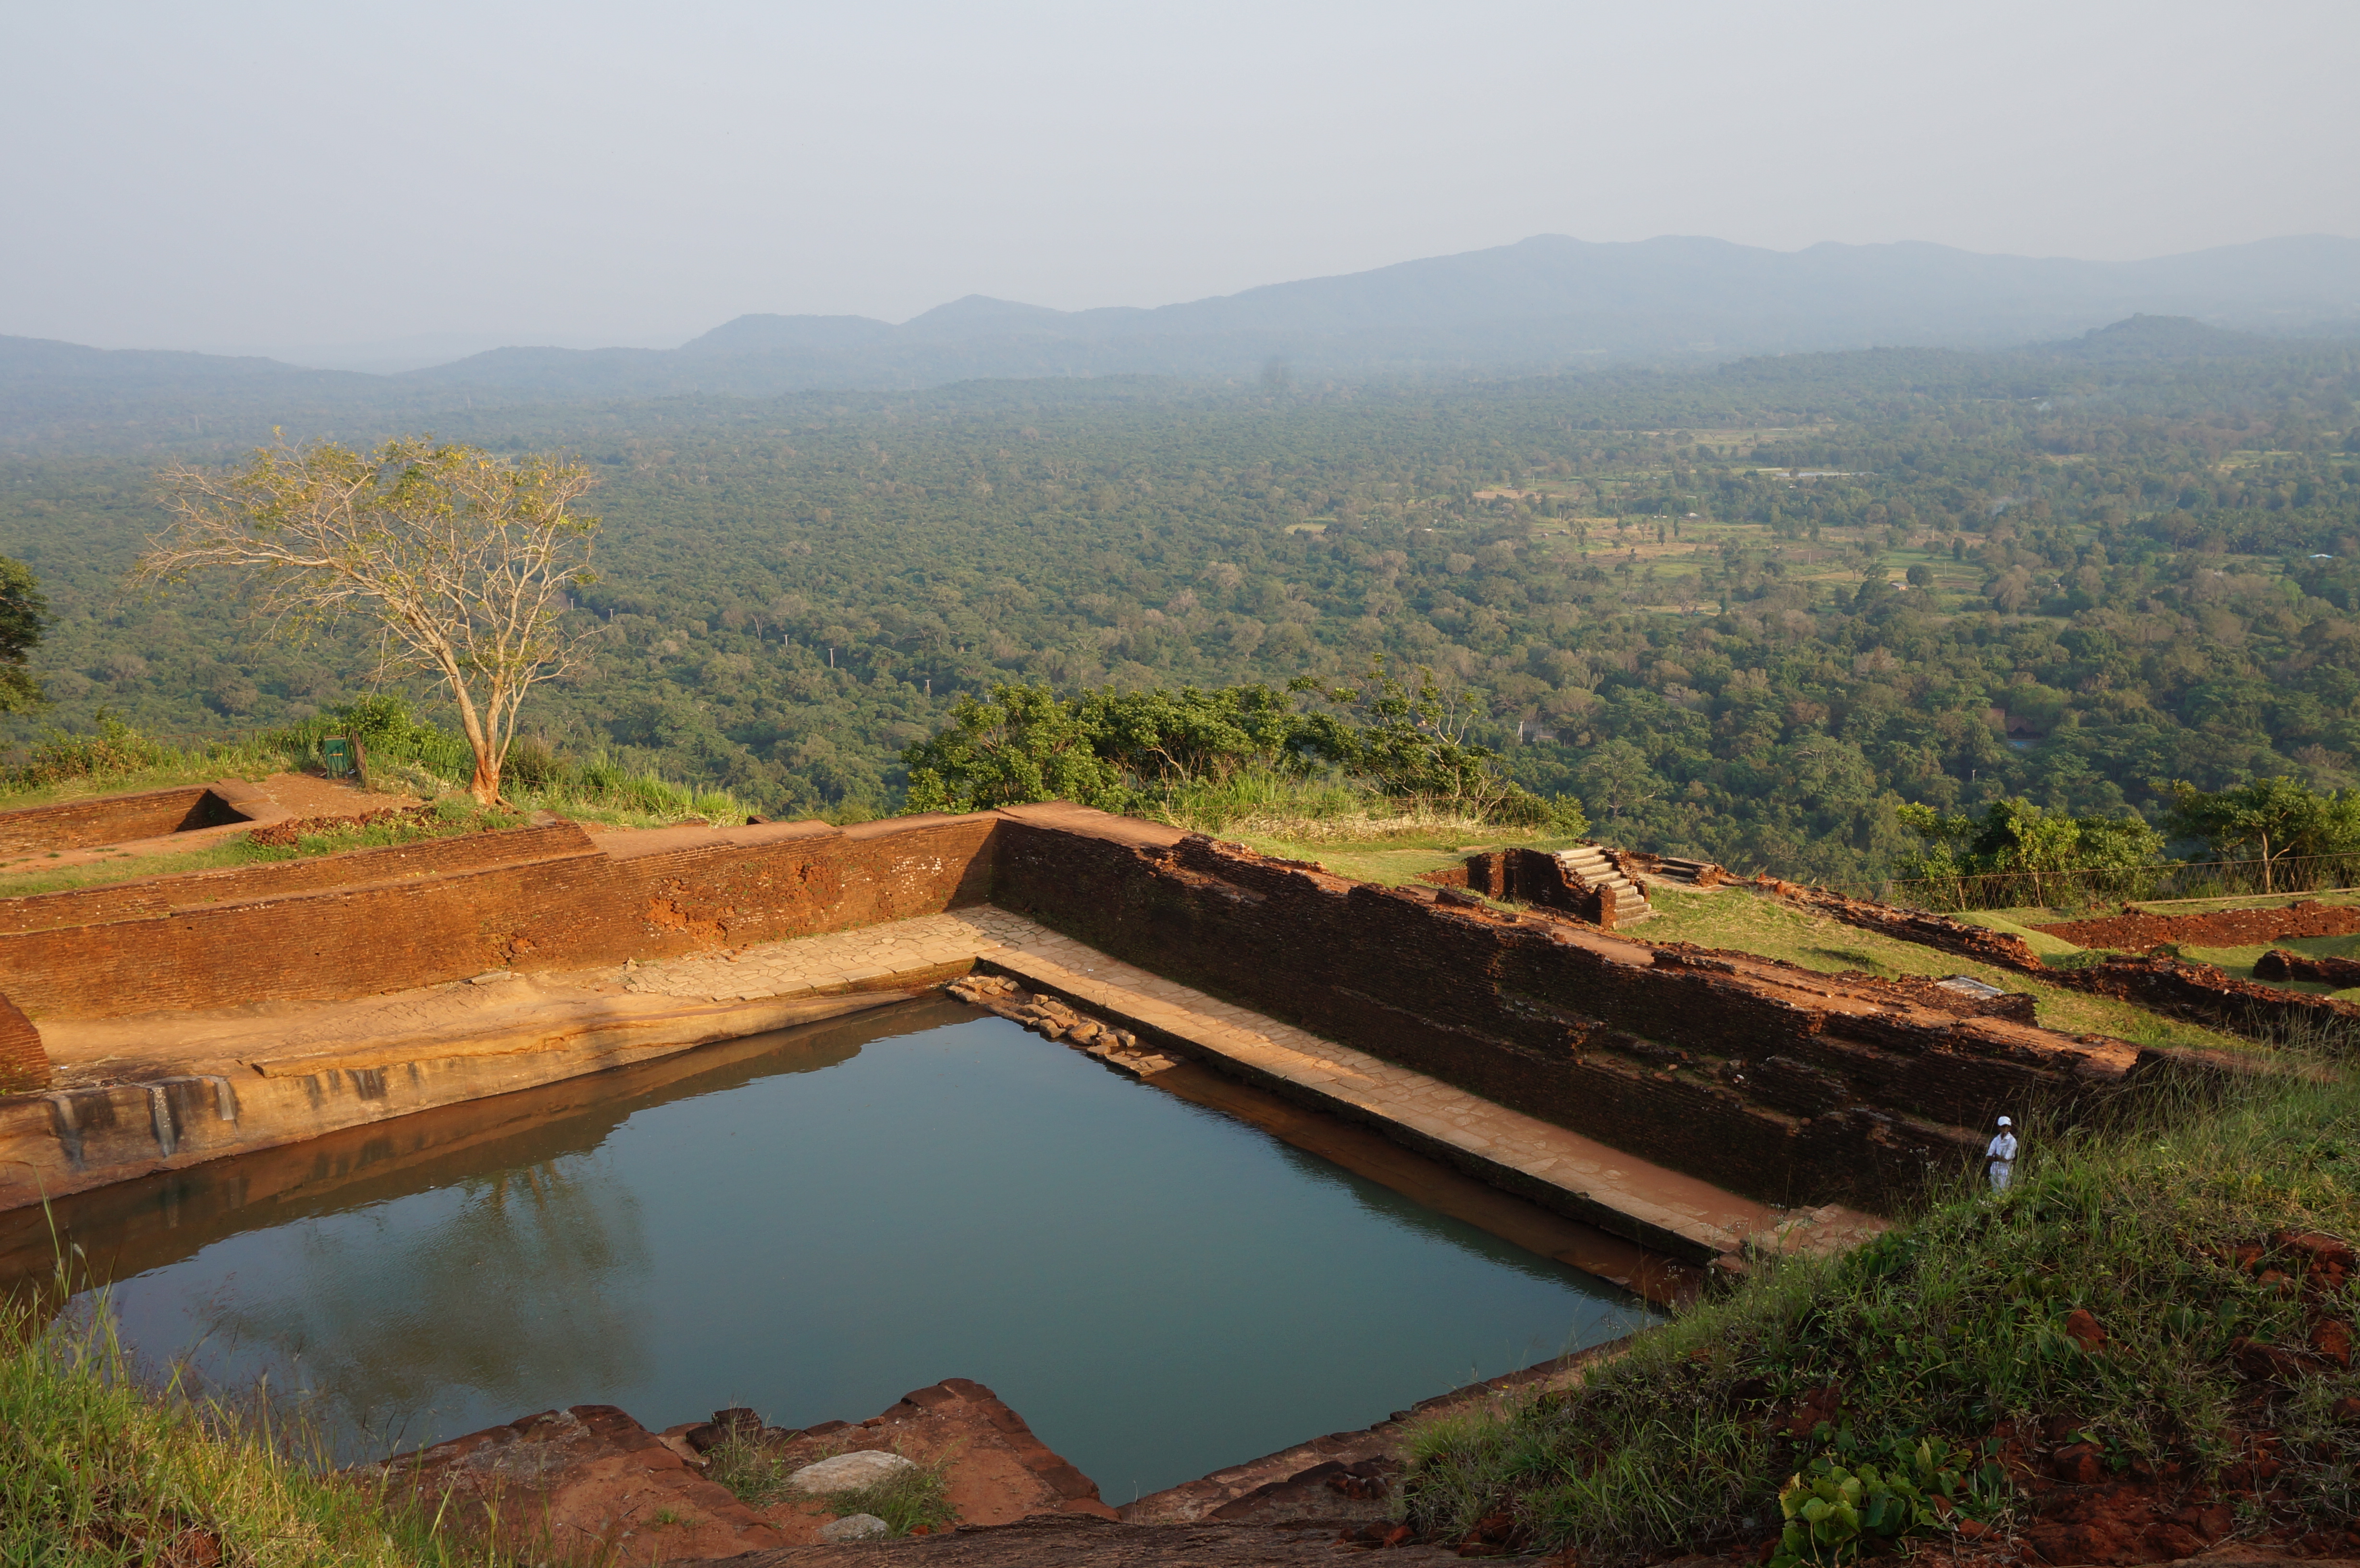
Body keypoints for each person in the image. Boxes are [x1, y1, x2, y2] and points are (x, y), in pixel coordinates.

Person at [1985, 1115, 2018, 1191]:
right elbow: (1989, 1155)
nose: (2005, 1129)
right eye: (2003, 1127)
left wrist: (1996, 1157)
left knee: (2003, 1189)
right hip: (1995, 1167)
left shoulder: (2012, 1141)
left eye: (2007, 1127)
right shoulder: (1996, 1140)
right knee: (1994, 1188)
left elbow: (2007, 1158)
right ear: (1999, 1127)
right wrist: (1997, 1157)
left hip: (2005, 1167)